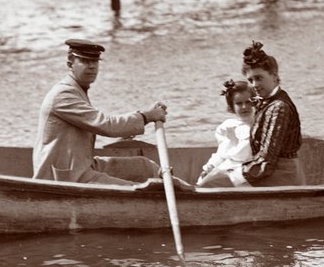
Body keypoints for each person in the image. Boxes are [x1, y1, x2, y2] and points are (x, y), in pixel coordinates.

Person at [32, 38, 167, 185]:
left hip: (81, 166)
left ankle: (182, 187)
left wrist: (141, 117)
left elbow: (96, 124)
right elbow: (105, 124)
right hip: (66, 178)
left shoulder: (77, 89)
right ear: (70, 63)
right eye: (85, 61)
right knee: (140, 189)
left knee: (145, 166)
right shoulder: (63, 94)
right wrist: (146, 116)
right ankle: (182, 194)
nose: (91, 67)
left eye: (95, 62)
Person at [238, 41, 305, 186]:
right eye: (250, 80)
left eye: (259, 78)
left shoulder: (278, 107)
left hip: (282, 174)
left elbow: (267, 158)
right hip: (272, 170)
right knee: (217, 178)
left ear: (274, 76)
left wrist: (238, 173)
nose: (254, 84)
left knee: (216, 182)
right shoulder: (268, 102)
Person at [197, 78, 256, 187]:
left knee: (240, 183)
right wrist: (209, 167)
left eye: (248, 102)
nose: (244, 107)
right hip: (230, 165)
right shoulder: (228, 126)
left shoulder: (259, 124)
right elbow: (222, 153)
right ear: (232, 106)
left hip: (250, 168)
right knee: (203, 181)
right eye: (239, 103)